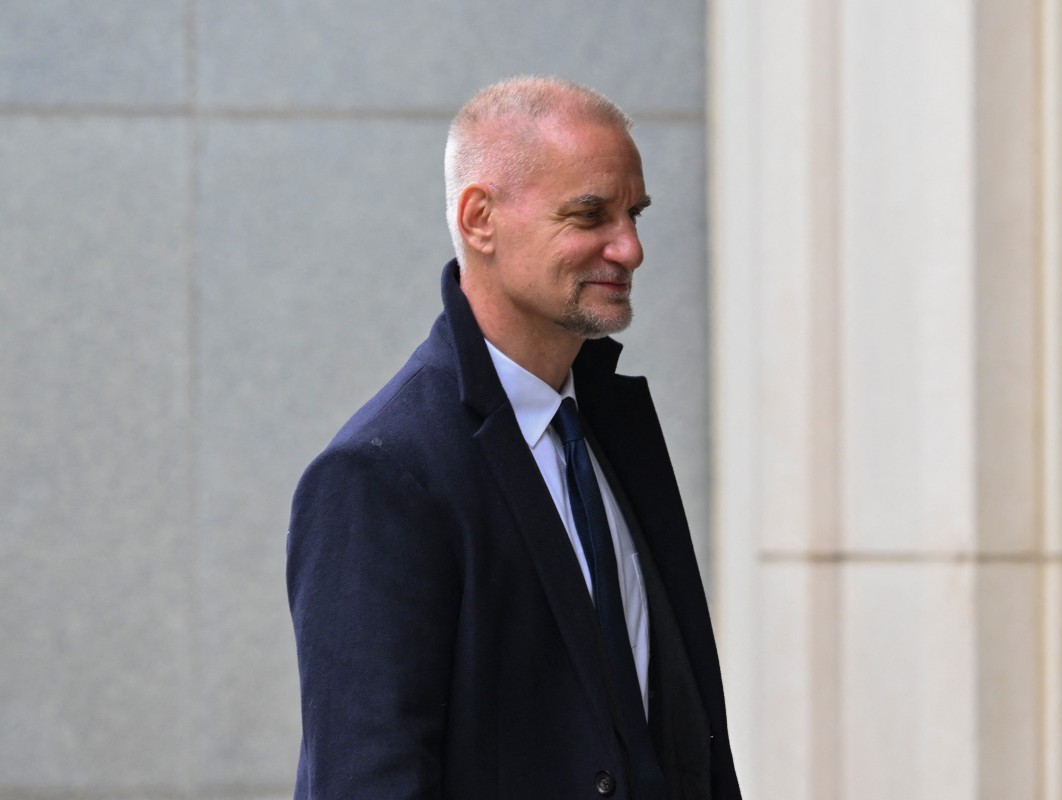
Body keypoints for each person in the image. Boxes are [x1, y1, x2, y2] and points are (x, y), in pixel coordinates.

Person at [286, 75, 741, 799]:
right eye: (590, 214)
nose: (630, 248)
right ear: (480, 220)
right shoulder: (380, 477)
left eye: (634, 214)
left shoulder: (612, 430)